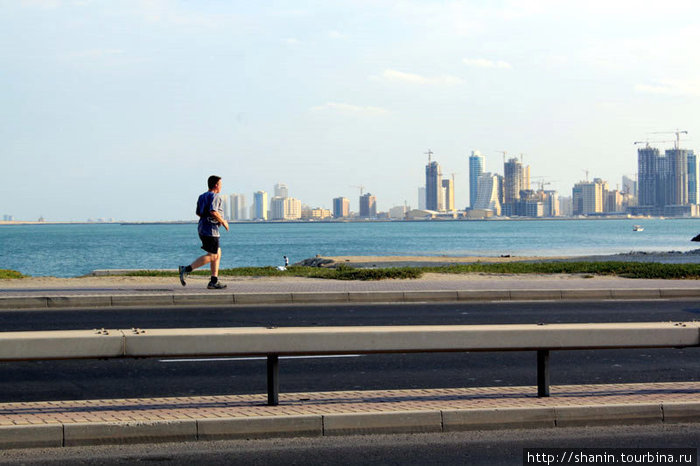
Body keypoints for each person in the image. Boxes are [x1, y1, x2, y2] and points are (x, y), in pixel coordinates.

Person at [179, 175, 229, 289]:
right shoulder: (215, 196)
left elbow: (199, 213)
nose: (221, 186)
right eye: (220, 184)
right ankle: (186, 269)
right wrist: (223, 222)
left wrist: (212, 219)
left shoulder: (202, 196)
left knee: (217, 253)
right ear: (216, 185)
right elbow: (213, 211)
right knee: (213, 256)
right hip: (210, 231)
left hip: (202, 228)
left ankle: (213, 281)